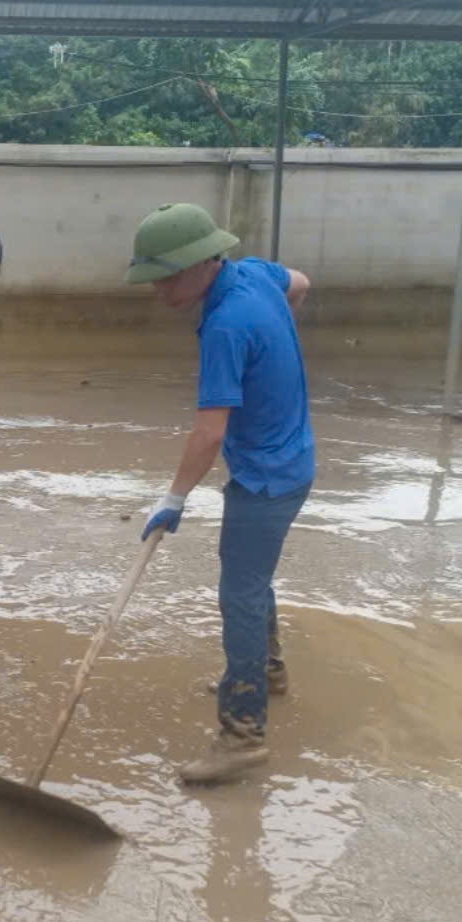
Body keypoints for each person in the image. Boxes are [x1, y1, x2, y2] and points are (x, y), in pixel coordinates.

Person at [127, 203, 313, 785]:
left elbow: (210, 432)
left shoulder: (227, 326)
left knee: (239, 593)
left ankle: (242, 735)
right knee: (251, 578)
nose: (157, 288)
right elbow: (301, 283)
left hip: (267, 477)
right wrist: (274, 342)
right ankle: (270, 671)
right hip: (292, 460)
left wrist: (173, 498)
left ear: (200, 263)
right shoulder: (254, 274)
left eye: (165, 275)